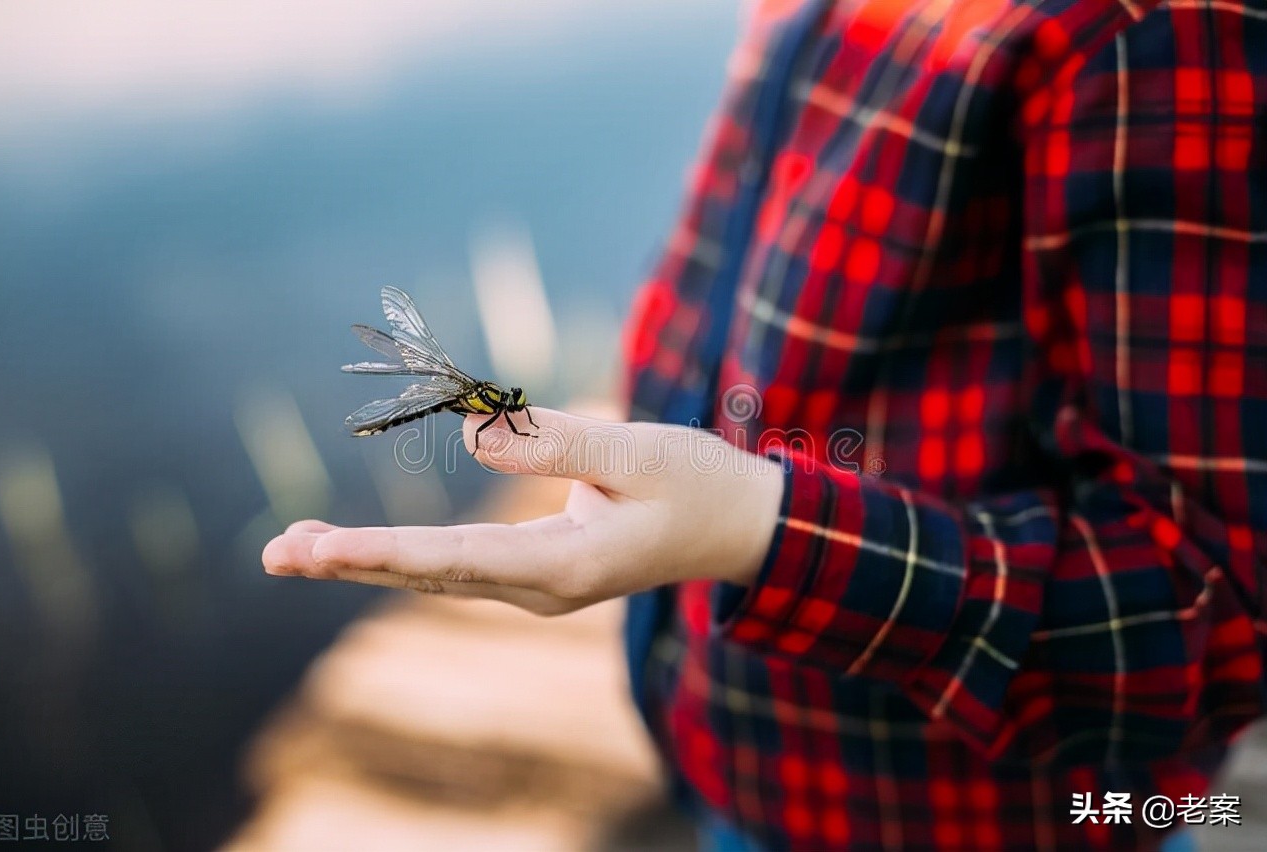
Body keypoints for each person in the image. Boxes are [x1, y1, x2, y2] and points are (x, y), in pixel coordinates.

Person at [263, 0, 1266, 848]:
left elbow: (1217, 615)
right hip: (740, 762)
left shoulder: (1153, 37)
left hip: (977, 815)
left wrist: (759, 532)